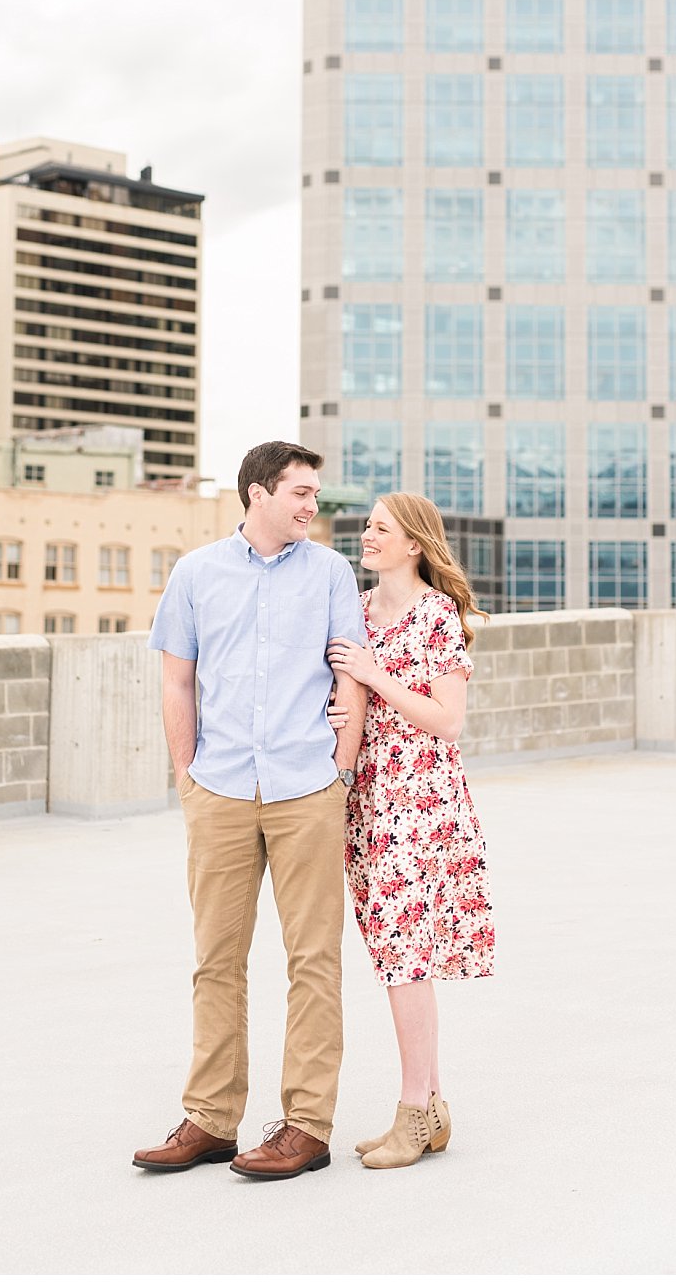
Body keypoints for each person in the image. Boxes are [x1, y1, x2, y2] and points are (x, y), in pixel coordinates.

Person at [132, 441, 367, 1181]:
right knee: (216, 961)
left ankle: (306, 1125)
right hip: (222, 788)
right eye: (300, 491)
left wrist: (340, 772)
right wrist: (187, 776)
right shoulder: (197, 573)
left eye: (316, 493)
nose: (312, 505)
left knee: (314, 960)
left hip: (306, 788)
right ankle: (209, 1118)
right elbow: (178, 681)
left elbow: (351, 677)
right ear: (258, 493)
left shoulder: (331, 572)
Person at [326, 491, 494, 1171]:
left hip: (420, 802)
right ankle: (431, 1103)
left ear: (414, 543)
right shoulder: (361, 611)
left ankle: (414, 1112)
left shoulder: (436, 617)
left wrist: (374, 673)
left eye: (381, 528)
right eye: (366, 525)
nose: (367, 535)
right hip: (371, 797)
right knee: (395, 956)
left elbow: (447, 719)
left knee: (405, 962)